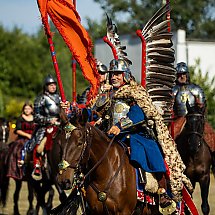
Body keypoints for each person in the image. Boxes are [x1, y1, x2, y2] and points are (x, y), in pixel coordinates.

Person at [95, 58, 192, 212]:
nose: (114, 77)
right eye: (112, 74)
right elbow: (96, 113)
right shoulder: (107, 95)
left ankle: (161, 191)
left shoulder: (136, 91)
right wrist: (76, 112)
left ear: (125, 75)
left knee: (148, 150)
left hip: (135, 134)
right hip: (110, 136)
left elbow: (139, 114)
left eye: (118, 74)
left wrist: (120, 126)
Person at [29, 74, 67, 180]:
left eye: (54, 84)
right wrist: (49, 120)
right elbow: (36, 117)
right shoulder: (40, 99)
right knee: (39, 146)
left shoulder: (60, 98)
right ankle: (37, 166)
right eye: (50, 85)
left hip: (59, 126)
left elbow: (65, 112)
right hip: (45, 127)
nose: (53, 87)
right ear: (46, 86)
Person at [171, 62, 206, 138]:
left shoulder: (196, 89)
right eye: (180, 74)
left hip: (195, 118)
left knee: (210, 135)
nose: (182, 76)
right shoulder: (173, 90)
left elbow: (202, 107)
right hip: (179, 118)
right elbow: (169, 108)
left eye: (183, 74)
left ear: (187, 75)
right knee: (169, 136)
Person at [7, 103, 35, 179]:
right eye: (25, 109)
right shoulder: (20, 118)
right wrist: (28, 135)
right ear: (23, 110)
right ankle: (19, 167)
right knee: (18, 149)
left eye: (29, 109)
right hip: (23, 138)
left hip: (34, 138)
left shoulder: (35, 118)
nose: (27, 110)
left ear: (32, 110)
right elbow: (18, 130)